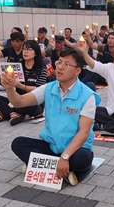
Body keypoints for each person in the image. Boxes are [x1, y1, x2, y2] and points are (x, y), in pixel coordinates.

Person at [8, 48, 100, 185]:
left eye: (66, 64)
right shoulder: (49, 88)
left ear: (77, 71)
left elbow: (84, 132)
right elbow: (19, 102)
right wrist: (9, 87)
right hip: (51, 146)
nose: (60, 67)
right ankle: (61, 169)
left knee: (81, 159)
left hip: (76, 150)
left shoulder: (87, 96)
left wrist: (65, 156)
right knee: (18, 143)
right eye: (59, 62)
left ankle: (44, 165)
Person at [0, 40, 46, 125]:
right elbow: (1, 76)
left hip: (32, 102)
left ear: (36, 53)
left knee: (33, 107)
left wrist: (21, 86)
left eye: (29, 50)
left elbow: (39, 89)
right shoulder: (17, 66)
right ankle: (13, 114)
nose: (25, 52)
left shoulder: (41, 69)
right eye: (24, 49)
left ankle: (6, 113)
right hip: (16, 100)